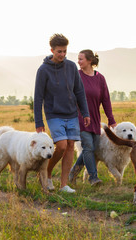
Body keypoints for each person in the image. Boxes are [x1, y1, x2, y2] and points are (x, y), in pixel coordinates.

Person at [34, 34, 90, 193]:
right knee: (62, 145)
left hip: (72, 113)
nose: (62, 54)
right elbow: (38, 97)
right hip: (54, 114)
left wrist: (85, 112)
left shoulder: (72, 67)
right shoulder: (43, 70)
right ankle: (47, 173)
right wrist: (39, 121)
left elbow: (79, 91)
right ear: (51, 50)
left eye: (65, 51)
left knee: (71, 145)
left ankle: (64, 185)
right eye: (59, 51)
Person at [69, 49, 116, 186]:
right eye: (78, 59)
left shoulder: (100, 78)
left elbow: (106, 100)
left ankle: (73, 173)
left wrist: (111, 119)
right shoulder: (76, 76)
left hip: (94, 119)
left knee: (92, 149)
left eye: (81, 59)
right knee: (88, 147)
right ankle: (93, 178)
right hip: (80, 118)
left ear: (90, 61)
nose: (78, 61)